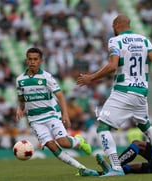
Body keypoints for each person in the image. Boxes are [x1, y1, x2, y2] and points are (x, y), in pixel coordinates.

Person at [77, 14, 152, 176]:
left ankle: (116, 167)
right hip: (141, 93)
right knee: (147, 127)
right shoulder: (143, 40)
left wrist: (91, 78)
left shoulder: (115, 41)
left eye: (112, 26)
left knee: (103, 127)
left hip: (123, 91)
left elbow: (112, 66)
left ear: (116, 25)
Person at [15, 47, 95, 175]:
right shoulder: (20, 80)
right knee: (52, 146)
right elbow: (21, 98)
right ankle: (82, 168)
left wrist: (65, 114)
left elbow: (60, 95)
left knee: (63, 142)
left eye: (35, 59)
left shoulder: (47, 77)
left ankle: (79, 141)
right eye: (30, 59)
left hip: (51, 114)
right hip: (35, 120)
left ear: (40, 61)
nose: (32, 62)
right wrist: (20, 108)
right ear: (26, 60)